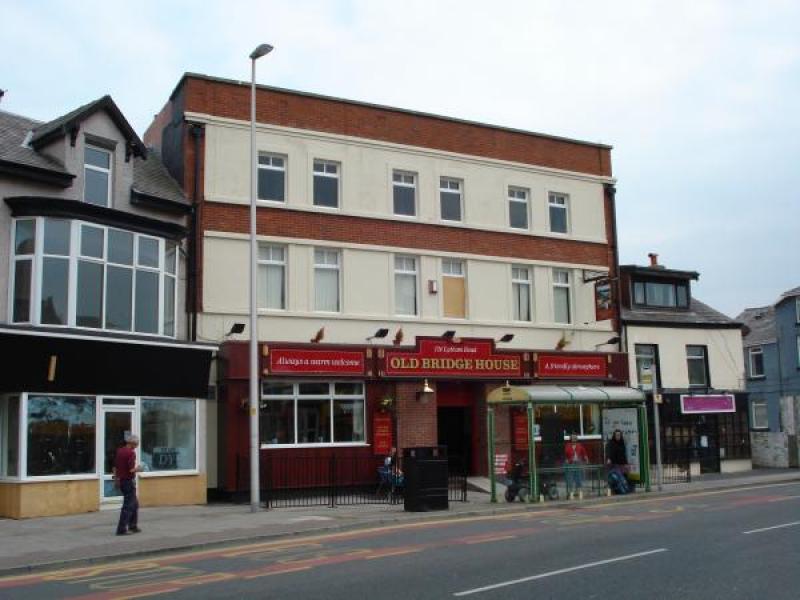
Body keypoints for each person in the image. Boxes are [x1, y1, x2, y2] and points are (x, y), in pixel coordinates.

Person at [113, 434, 143, 536]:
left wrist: (116, 479)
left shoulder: (119, 451)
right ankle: (121, 529)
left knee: (134, 504)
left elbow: (115, 467)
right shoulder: (131, 453)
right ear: (132, 443)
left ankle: (133, 526)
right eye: (137, 444)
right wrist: (139, 469)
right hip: (128, 481)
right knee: (128, 506)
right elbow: (131, 470)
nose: (137, 446)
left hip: (121, 481)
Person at [564, 432, 589, 498]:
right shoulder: (568, 445)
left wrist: (586, 458)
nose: (574, 439)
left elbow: (584, 453)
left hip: (578, 463)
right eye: (572, 438)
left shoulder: (580, 445)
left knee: (578, 477)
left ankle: (578, 491)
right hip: (570, 463)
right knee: (570, 477)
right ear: (571, 439)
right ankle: (570, 491)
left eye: (575, 438)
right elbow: (566, 454)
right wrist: (567, 459)